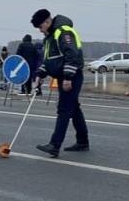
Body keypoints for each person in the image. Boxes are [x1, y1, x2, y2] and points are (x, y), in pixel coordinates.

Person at [30, 9, 89, 157]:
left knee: (64, 109)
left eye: (40, 27)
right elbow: (50, 60)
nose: (40, 30)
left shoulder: (63, 32)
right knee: (73, 108)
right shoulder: (50, 37)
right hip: (64, 76)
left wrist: (68, 77)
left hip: (71, 76)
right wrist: (39, 75)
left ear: (47, 22)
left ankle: (54, 145)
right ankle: (83, 142)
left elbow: (71, 54)